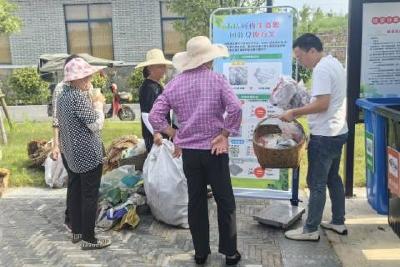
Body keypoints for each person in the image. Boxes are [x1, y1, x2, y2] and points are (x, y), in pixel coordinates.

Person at [149, 36, 242, 265]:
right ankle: (230, 253)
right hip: (214, 150)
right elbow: (236, 108)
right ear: (209, 59)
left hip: (189, 153)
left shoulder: (174, 84)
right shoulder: (217, 80)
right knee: (225, 201)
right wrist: (225, 134)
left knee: (196, 201)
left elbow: (154, 116)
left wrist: (174, 134)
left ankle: (201, 252)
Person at [281, 33, 348, 241]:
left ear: (312, 50)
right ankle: (338, 221)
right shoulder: (335, 63)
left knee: (316, 182)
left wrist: (294, 112)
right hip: (338, 131)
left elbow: (322, 104)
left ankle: (310, 230)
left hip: (325, 135)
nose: (299, 61)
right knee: (332, 178)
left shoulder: (321, 69)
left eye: (300, 56)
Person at [57, 57, 111, 250]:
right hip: (87, 154)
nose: (90, 80)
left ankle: (77, 231)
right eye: (87, 76)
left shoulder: (63, 96)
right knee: (89, 196)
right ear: (77, 79)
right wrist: (98, 105)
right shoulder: (78, 97)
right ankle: (89, 239)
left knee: (76, 193)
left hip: (72, 153)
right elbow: (96, 124)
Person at [50, 54, 81, 232]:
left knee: (82, 181)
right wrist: (55, 145)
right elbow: (56, 120)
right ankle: (70, 218)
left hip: (83, 141)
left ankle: (79, 216)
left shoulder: (83, 85)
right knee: (75, 180)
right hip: (68, 142)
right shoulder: (61, 88)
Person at [136, 49, 172, 153]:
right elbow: (146, 114)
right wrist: (155, 133)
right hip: (156, 137)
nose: (164, 69)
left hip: (161, 133)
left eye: (164, 66)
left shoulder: (156, 85)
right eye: (160, 66)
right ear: (150, 68)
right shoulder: (149, 87)